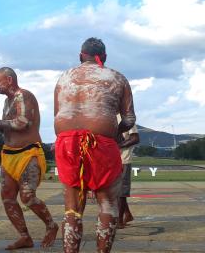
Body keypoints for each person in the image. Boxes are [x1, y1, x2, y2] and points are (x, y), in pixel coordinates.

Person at [54, 37, 136, 253]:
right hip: (102, 143)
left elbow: (57, 114)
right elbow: (129, 119)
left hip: (67, 143)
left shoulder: (63, 78)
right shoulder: (116, 77)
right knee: (108, 205)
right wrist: (115, 134)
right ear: (104, 57)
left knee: (72, 209)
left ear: (81, 56)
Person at [0, 67, 58, 250]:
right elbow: (7, 127)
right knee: (7, 197)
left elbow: (23, 123)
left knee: (27, 196)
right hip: (9, 154)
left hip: (28, 153)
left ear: (9, 80)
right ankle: (25, 237)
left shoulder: (23, 95)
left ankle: (51, 225)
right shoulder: (7, 102)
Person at [116, 114, 139, 229]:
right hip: (111, 159)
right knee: (115, 191)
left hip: (123, 159)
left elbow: (135, 138)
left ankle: (119, 220)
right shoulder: (107, 116)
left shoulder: (125, 119)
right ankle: (127, 214)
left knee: (121, 192)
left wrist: (118, 145)